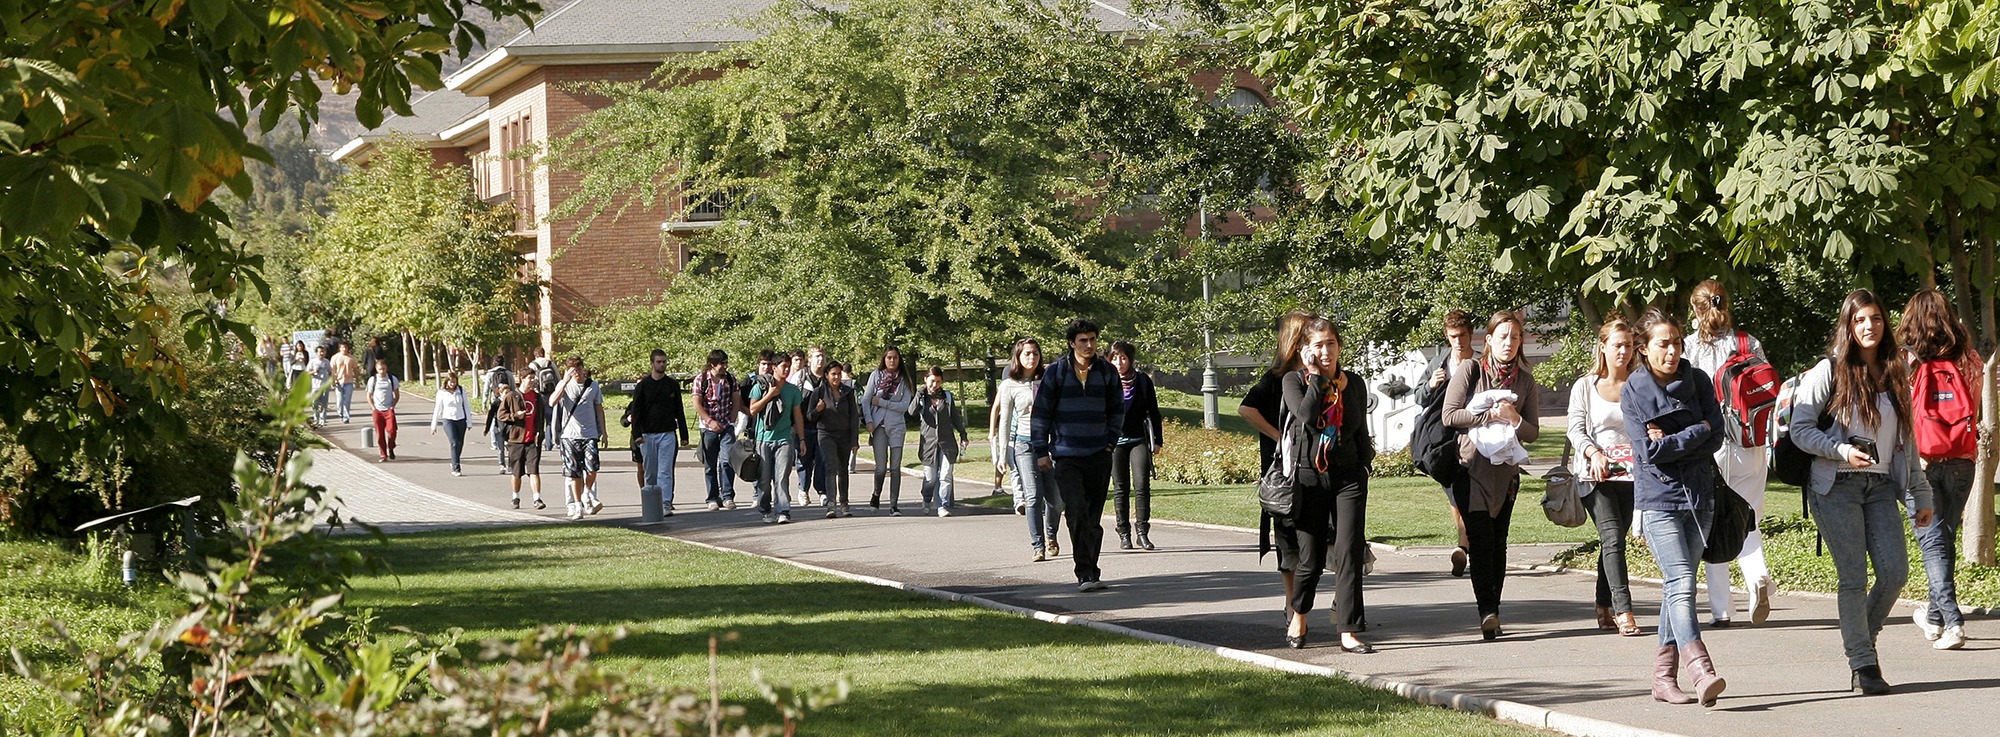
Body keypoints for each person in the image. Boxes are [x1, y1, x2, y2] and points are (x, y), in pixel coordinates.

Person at [1792, 289, 1936, 695]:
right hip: (1836, 483)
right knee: (1852, 577)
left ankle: (1862, 643)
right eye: (1859, 321)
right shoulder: (1830, 370)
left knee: (1895, 572)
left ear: (1884, 322)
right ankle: (1863, 664)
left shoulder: (1896, 371)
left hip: (1880, 486)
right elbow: (1801, 429)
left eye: (1874, 318)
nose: (1868, 326)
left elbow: (1906, 441)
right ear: (1848, 326)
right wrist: (1840, 449)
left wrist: (1920, 494)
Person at [1624, 307, 1729, 706]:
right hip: (1659, 500)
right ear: (1645, 348)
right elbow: (1649, 452)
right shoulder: (1634, 389)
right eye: (1663, 344)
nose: (1672, 351)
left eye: (1677, 343)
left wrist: (1680, 435)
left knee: (1676, 588)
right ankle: (1701, 670)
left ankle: (1662, 679)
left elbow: (1716, 435)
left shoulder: (1699, 380)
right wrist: (1694, 431)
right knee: (1682, 581)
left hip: (1700, 496)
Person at [1274, 317, 1376, 653]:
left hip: (1348, 477)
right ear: (1305, 350)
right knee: (1311, 559)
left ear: (1339, 346)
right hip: (1309, 478)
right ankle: (1299, 613)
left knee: (1349, 553)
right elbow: (1304, 416)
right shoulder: (1295, 380)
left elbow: (1360, 427)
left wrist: (1364, 463)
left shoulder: (1355, 384)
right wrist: (1318, 379)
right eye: (1318, 345)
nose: (1325, 351)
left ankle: (1348, 629)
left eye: (1331, 343)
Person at [1441, 310, 1541, 640]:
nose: (1509, 343)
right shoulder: (1471, 370)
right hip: (1471, 471)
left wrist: (1512, 417)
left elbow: (1532, 433)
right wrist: (1485, 418)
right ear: (1489, 340)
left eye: (1515, 337)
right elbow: (1450, 415)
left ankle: (1493, 610)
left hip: (1506, 476)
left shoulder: (1525, 381)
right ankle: (1488, 611)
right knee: (1481, 543)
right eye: (1503, 336)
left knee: (1499, 545)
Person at [1683, 280, 1774, 627]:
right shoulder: (1747, 344)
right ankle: (1757, 575)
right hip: (1751, 443)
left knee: (1714, 522)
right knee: (1747, 516)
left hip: (1712, 446)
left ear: (1695, 309)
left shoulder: (1689, 349)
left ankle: (1722, 609)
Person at [1897, 288, 1983, 651]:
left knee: (1932, 545)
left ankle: (1952, 620)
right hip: (1964, 459)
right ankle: (1933, 617)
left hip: (1922, 462)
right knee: (1943, 540)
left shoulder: (1904, 362)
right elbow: (1975, 406)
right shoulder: (1971, 360)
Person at [1032, 319, 1126, 593]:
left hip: (1099, 453)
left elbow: (1117, 409)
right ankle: (1084, 572)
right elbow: (1042, 413)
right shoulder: (1057, 372)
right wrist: (1041, 451)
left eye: (1093, 339)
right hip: (1067, 455)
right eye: (1083, 340)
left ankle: (1091, 572)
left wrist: (1110, 441)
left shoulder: (1107, 372)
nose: (1089, 345)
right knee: (1075, 511)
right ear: (1072, 343)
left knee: (1092, 517)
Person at [1566, 317, 1643, 636]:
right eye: (1617, 345)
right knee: (1612, 538)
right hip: (1595, 476)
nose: (1623, 351)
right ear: (1603, 347)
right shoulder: (1586, 386)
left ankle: (1602, 605)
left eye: (1628, 345)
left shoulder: (1640, 383)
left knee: (1615, 541)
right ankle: (1623, 609)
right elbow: (1575, 428)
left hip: (1632, 475)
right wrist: (1593, 453)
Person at [1241, 311, 1315, 611]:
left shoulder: (1320, 374)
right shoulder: (1276, 378)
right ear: (1297, 339)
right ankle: (1291, 604)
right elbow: (1247, 409)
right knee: (1287, 540)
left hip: (1317, 466)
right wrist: (1280, 436)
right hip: (1284, 474)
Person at [1413, 310, 1478, 578]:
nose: (1458, 341)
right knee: (1453, 488)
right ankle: (1464, 543)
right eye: (1453, 336)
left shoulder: (1480, 362)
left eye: (1462, 335)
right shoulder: (1440, 363)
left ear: (1471, 334)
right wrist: (1430, 384)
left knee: (1469, 490)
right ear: (1446, 336)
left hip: (1473, 434)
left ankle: (1465, 544)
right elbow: (1419, 396)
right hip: (1443, 437)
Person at [995, 338, 1062, 560]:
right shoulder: (1009, 385)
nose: (1031, 358)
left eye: (1035, 353)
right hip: (1024, 444)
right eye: (1026, 354)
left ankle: (1051, 534)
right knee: (1033, 496)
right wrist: (1002, 453)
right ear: (1018, 357)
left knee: (1057, 501)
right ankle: (1038, 545)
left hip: (1049, 444)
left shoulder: (1048, 380)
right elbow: (1004, 420)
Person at [1107, 340, 1164, 551]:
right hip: (1115, 442)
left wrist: (1157, 440)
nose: (1119, 362)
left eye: (1123, 358)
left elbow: (1154, 411)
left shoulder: (1142, 381)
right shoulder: (1105, 381)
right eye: (1114, 358)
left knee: (1142, 486)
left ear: (1130, 359)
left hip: (1138, 439)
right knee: (1120, 488)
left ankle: (1142, 532)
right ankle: (1124, 533)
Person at [624, 349, 691, 519]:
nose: (662, 364)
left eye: (664, 362)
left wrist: (684, 435)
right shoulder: (643, 386)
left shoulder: (672, 385)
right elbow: (636, 412)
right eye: (658, 362)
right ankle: (651, 503)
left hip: (667, 434)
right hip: (647, 435)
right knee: (650, 472)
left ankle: (666, 503)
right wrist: (637, 434)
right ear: (652, 363)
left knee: (665, 471)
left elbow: (679, 410)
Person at [748, 351, 805, 524]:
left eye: (788, 366)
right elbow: (752, 410)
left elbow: (798, 416)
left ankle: (783, 510)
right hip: (763, 439)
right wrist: (769, 395)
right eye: (783, 366)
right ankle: (765, 509)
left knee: (782, 478)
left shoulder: (792, 390)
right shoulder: (760, 386)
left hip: (784, 439)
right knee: (764, 480)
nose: (787, 369)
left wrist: (802, 439)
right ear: (774, 368)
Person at [551, 358, 609, 520]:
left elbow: (599, 409)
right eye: (572, 369)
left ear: (583, 369)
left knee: (592, 469)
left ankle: (587, 493)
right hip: (570, 435)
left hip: (590, 434)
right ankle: (577, 506)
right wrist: (564, 381)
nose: (576, 372)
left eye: (578, 368)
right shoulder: (565, 385)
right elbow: (552, 402)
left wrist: (603, 431)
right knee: (574, 473)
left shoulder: (593, 386)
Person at [806, 361, 863, 518]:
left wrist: (854, 440)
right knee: (830, 467)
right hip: (826, 434)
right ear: (826, 375)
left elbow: (853, 417)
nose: (837, 377)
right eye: (833, 374)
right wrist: (818, 410)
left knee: (843, 469)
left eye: (839, 374)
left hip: (844, 435)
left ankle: (844, 503)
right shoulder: (819, 392)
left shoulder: (848, 392)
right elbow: (810, 416)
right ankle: (831, 504)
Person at [910, 366, 969, 517]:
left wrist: (963, 434)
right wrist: (919, 394)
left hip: (947, 442)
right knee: (931, 478)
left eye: (937, 381)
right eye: (931, 381)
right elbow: (911, 412)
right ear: (925, 380)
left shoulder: (947, 397)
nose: (934, 385)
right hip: (928, 444)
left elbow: (955, 417)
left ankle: (942, 504)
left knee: (946, 475)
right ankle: (926, 498)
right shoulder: (922, 397)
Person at [862, 347, 915, 513]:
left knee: (895, 467)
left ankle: (893, 504)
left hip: (897, 427)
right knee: (880, 468)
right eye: (889, 358)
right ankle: (876, 494)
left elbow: (904, 406)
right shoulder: (876, 376)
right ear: (884, 359)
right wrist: (869, 420)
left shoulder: (904, 380)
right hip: (878, 426)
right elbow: (866, 399)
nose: (892, 361)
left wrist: (883, 403)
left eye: (895, 358)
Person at [692, 350, 739, 511]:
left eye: (726, 363)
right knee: (710, 464)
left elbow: (736, 400)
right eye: (722, 364)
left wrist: (731, 421)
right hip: (708, 428)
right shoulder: (701, 379)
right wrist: (709, 421)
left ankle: (727, 496)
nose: (725, 366)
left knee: (727, 461)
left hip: (726, 426)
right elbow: (697, 403)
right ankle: (712, 497)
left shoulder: (730, 379)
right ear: (713, 364)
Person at [493, 379, 545, 509]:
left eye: (534, 378)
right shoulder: (511, 396)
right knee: (517, 472)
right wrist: (516, 416)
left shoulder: (537, 397)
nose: (533, 381)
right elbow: (501, 414)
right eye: (530, 378)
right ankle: (515, 497)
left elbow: (541, 416)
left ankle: (537, 499)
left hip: (532, 440)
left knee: (534, 470)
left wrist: (540, 431)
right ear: (523, 379)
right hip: (516, 439)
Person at [790, 347, 829, 507]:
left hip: (823, 426)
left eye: (822, 356)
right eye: (817, 356)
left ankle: (822, 492)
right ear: (810, 359)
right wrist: (793, 424)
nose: (820, 359)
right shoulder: (800, 377)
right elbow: (792, 401)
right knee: (804, 460)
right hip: (803, 425)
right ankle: (803, 490)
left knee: (822, 460)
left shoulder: (828, 377)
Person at [429, 373, 472, 475]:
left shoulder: (460, 390)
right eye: (451, 381)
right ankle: (456, 467)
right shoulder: (441, 392)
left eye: (454, 381)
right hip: (448, 420)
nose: (453, 384)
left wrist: (469, 421)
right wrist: (433, 425)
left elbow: (466, 406)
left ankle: (454, 460)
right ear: (447, 382)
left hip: (461, 419)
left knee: (460, 443)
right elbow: (438, 408)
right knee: (454, 442)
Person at [484, 355, 517, 471]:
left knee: (495, 421)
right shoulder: (508, 373)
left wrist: (484, 402)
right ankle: (505, 461)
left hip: (495, 400)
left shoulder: (490, 374)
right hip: (508, 402)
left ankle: (495, 443)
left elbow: (486, 389)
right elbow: (513, 387)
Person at [366, 359, 401, 462]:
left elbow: (397, 394)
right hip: (377, 410)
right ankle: (383, 455)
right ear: (376, 369)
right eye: (380, 369)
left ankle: (391, 447)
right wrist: (373, 407)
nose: (382, 371)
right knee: (380, 434)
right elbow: (369, 395)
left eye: (384, 369)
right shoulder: (373, 380)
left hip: (389, 409)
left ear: (386, 368)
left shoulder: (391, 379)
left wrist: (393, 406)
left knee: (392, 431)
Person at [526, 346, 558, 450]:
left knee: (539, 418)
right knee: (549, 419)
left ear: (535, 354)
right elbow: (557, 377)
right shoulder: (550, 363)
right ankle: (549, 443)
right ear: (543, 353)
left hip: (538, 394)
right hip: (550, 393)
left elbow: (530, 379)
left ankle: (539, 440)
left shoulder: (533, 364)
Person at [330, 342, 359, 424]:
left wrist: (357, 381)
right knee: (340, 400)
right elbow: (333, 370)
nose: (344, 349)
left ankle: (346, 417)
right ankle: (340, 413)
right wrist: (333, 380)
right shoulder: (335, 357)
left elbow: (355, 370)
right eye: (342, 347)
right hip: (339, 381)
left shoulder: (351, 358)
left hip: (349, 381)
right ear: (339, 348)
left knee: (347, 400)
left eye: (346, 347)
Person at [306, 345, 332, 426]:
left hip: (324, 386)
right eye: (320, 352)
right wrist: (313, 372)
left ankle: (322, 419)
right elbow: (307, 372)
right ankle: (316, 418)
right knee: (315, 403)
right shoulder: (312, 362)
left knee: (324, 404)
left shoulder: (326, 362)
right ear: (316, 353)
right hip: (315, 386)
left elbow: (330, 372)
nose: (321, 353)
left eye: (323, 352)